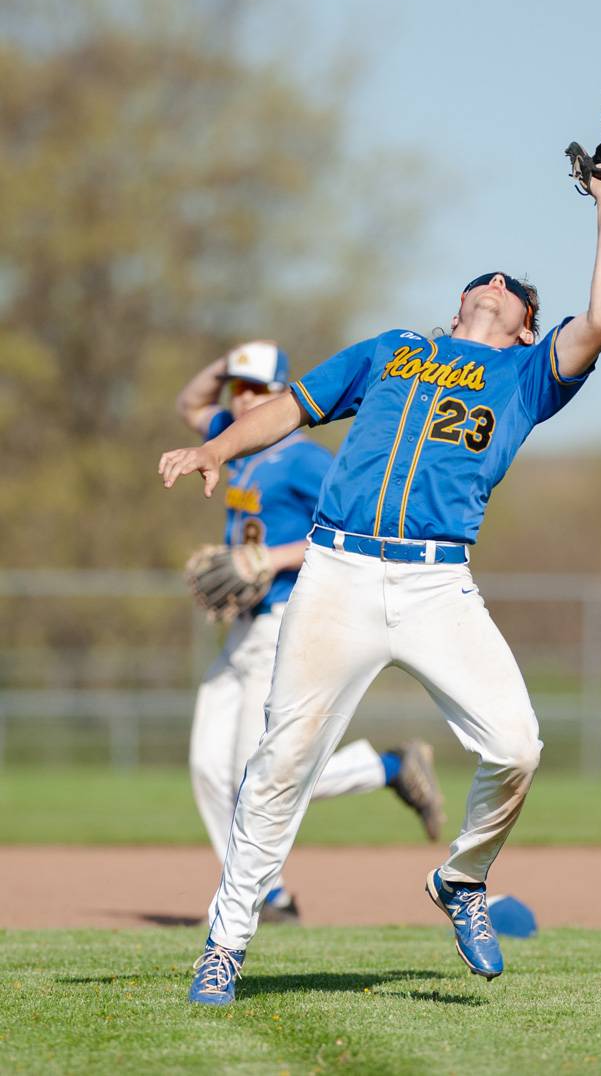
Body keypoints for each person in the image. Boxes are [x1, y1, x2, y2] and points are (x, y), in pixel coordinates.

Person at [159, 170, 601, 1003]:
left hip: (435, 584)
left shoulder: (526, 381)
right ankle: (224, 947)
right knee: (279, 766)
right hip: (336, 571)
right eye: (485, 278)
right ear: (456, 308)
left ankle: (463, 879)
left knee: (517, 744)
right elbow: (293, 406)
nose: (498, 283)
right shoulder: (392, 350)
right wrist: (217, 448)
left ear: (527, 328)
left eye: (516, 290)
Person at [177, 339, 446, 921]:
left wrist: (268, 560)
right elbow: (189, 401)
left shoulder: (302, 460)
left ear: (279, 392)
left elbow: (351, 527)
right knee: (207, 766)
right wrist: (227, 362)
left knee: (263, 768)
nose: (242, 396)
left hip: (281, 622)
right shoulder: (234, 437)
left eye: (256, 388)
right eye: (238, 387)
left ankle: (391, 767)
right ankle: (266, 891)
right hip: (240, 630)